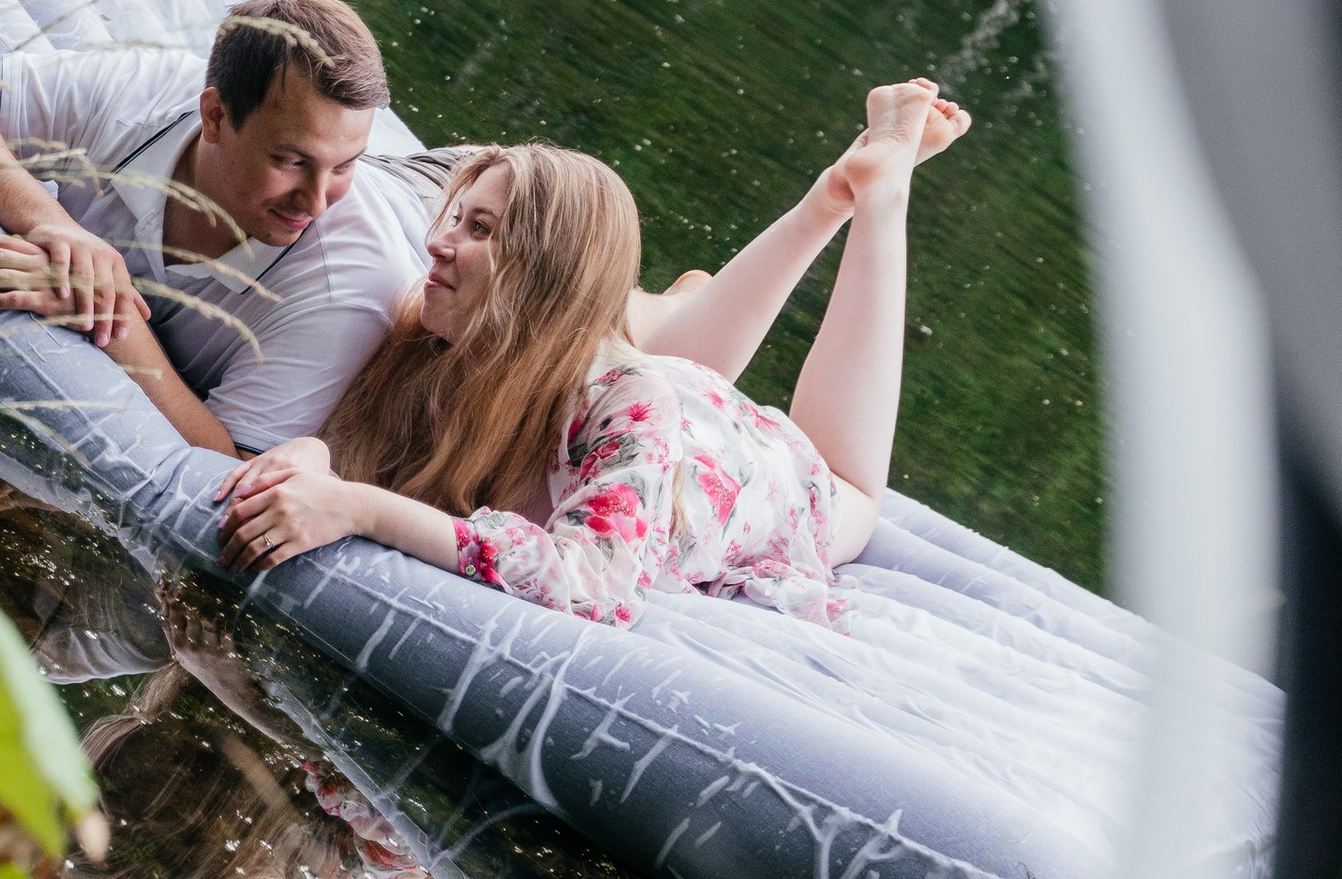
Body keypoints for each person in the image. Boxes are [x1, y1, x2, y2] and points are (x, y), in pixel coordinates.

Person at [216, 80, 969, 626]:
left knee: (853, 488)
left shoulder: (629, 404)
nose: (437, 243)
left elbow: (591, 583)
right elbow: (353, 449)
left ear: (541, 268)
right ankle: (818, 205)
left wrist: (358, 509)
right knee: (645, 355)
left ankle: (876, 194)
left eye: (480, 230)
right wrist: (316, 457)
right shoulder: (431, 331)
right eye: (455, 219)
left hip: (733, 464)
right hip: (616, 377)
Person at [0, 0, 427, 455]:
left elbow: (229, 470)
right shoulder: (145, 93)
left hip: (425, 207)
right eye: (290, 161)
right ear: (213, 116)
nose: (316, 200)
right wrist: (52, 223)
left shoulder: (350, 286)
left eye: (343, 166)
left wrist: (116, 321)